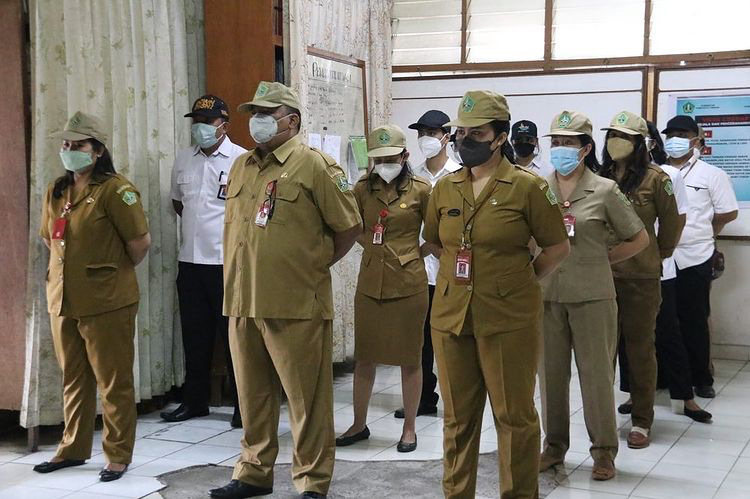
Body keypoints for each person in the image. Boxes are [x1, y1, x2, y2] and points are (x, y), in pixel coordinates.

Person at [209, 82, 362, 499]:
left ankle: (312, 480)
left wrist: (311, 267)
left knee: (306, 401)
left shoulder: (315, 166)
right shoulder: (241, 165)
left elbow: (349, 227)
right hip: (242, 300)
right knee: (252, 397)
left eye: (266, 114)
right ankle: (253, 473)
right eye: (254, 113)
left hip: (295, 303)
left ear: (291, 121)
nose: (256, 121)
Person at [423, 90, 570, 499]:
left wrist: (519, 280)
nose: (465, 140)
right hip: (452, 316)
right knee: (457, 420)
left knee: (514, 417)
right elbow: (434, 241)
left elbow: (557, 247)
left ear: (500, 137)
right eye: (461, 132)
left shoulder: (528, 187)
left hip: (509, 318)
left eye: (477, 133)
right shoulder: (445, 188)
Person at [33, 111, 151, 482]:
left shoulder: (116, 190)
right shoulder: (57, 190)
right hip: (63, 298)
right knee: (74, 378)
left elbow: (139, 243)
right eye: (66, 143)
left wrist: (107, 274)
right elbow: (49, 239)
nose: (69, 149)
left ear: (98, 150)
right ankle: (72, 448)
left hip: (107, 301)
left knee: (113, 382)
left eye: (79, 144)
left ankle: (117, 455)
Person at [538, 111, 648, 480]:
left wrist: (602, 259)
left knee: (597, 376)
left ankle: (603, 452)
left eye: (568, 143)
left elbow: (638, 238)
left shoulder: (604, 190)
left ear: (585, 149)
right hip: (547, 295)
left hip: (593, 297)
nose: (560, 149)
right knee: (550, 377)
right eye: (555, 142)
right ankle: (553, 447)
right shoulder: (537, 188)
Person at [335, 125, 431, 452]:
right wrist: (374, 248)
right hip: (370, 282)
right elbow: (353, 226)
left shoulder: (422, 189)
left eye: (391, 159)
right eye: (379, 160)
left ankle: (409, 429)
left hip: (409, 283)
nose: (385, 165)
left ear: (405, 156)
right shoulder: (363, 188)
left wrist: (412, 254)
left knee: (410, 358)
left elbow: (437, 234)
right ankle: (358, 424)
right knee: (365, 357)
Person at [598, 111, 683, 449]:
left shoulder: (656, 178)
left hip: (640, 277)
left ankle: (642, 420)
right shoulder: (600, 176)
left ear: (639, 143)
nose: (615, 142)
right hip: (602, 275)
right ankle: (601, 417)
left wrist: (657, 255)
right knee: (601, 351)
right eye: (611, 135)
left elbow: (672, 223)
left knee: (640, 349)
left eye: (623, 136)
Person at [162, 95, 246, 427]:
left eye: (207, 121)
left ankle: (243, 405)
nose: (200, 127)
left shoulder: (241, 160)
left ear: (224, 124)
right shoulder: (184, 159)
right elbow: (179, 204)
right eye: (196, 121)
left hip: (227, 263)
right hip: (190, 262)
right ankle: (195, 401)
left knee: (234, 338)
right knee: (194, 336)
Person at [621, 121, 712, 423]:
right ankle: (633, 394)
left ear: (649, 143)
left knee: (668, 332)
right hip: (621, 270)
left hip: (658, 269)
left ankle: (685, 396)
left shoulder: (667, 175)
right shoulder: (611, 176)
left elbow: (677, 220)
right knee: (627, 337)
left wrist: (658, 255)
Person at [391, 110, 461, 420]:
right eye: (421, 134)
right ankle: (422, 398)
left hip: (449, 270)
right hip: (418, 271)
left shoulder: (459, 175)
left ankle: (457, 400)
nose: (425, 139)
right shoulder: (413, 177)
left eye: (431, 133)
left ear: (446, 136)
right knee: (419, 342)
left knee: (449, 340)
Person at [664, 115, 738, 400]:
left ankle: (701, 378)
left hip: (696, 255)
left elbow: (728, 211)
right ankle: (667, 377)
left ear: (696, 140)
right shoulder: (657, 172)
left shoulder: (711, 174)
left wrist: (707, 231)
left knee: (694, 319)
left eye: (682, 135)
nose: (675, 140)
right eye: (670, 134)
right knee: (664, 320)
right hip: (663, 256)